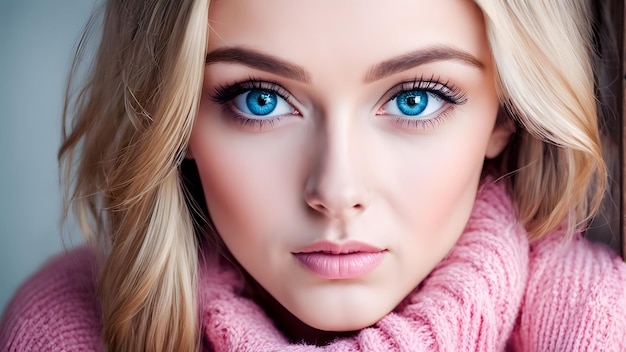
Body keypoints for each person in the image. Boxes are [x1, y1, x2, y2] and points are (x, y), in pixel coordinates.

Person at [1, 0, 625, 351]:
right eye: (260, 99)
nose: (337, 191)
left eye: (415, 99)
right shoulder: (66, 328)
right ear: (176, 113)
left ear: (506, 113)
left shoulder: (598, 325)